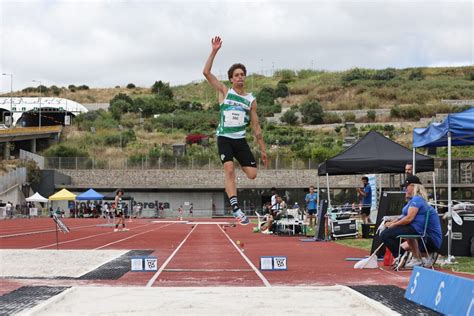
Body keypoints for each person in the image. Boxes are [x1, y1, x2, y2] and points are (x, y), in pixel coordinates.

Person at [203, 36, 268, 225]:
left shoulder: (250, 100)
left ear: (244, 78)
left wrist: (263, 149)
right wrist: (214, 51)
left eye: (242, 74)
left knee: (252, 174)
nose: (240, 77)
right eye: (236, 75)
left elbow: (256, 127)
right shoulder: (224, 91)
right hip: (224, 138)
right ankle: (236, 208)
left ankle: (236, 161)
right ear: (231, 79)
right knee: (229, 170)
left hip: (240, 140)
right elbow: (206, 72)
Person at [380, 175, 442, 268]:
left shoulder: (417, 199)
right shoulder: (413, 200)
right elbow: (402, 217)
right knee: (391, 233)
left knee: (385, 234)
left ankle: (401, 255)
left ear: (413, 186)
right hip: (414, 229)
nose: (405, 189)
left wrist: (394, 225)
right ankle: (410, 256)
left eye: (406, 186)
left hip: (418, 231)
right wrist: (391, 223)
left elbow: (409, 218)